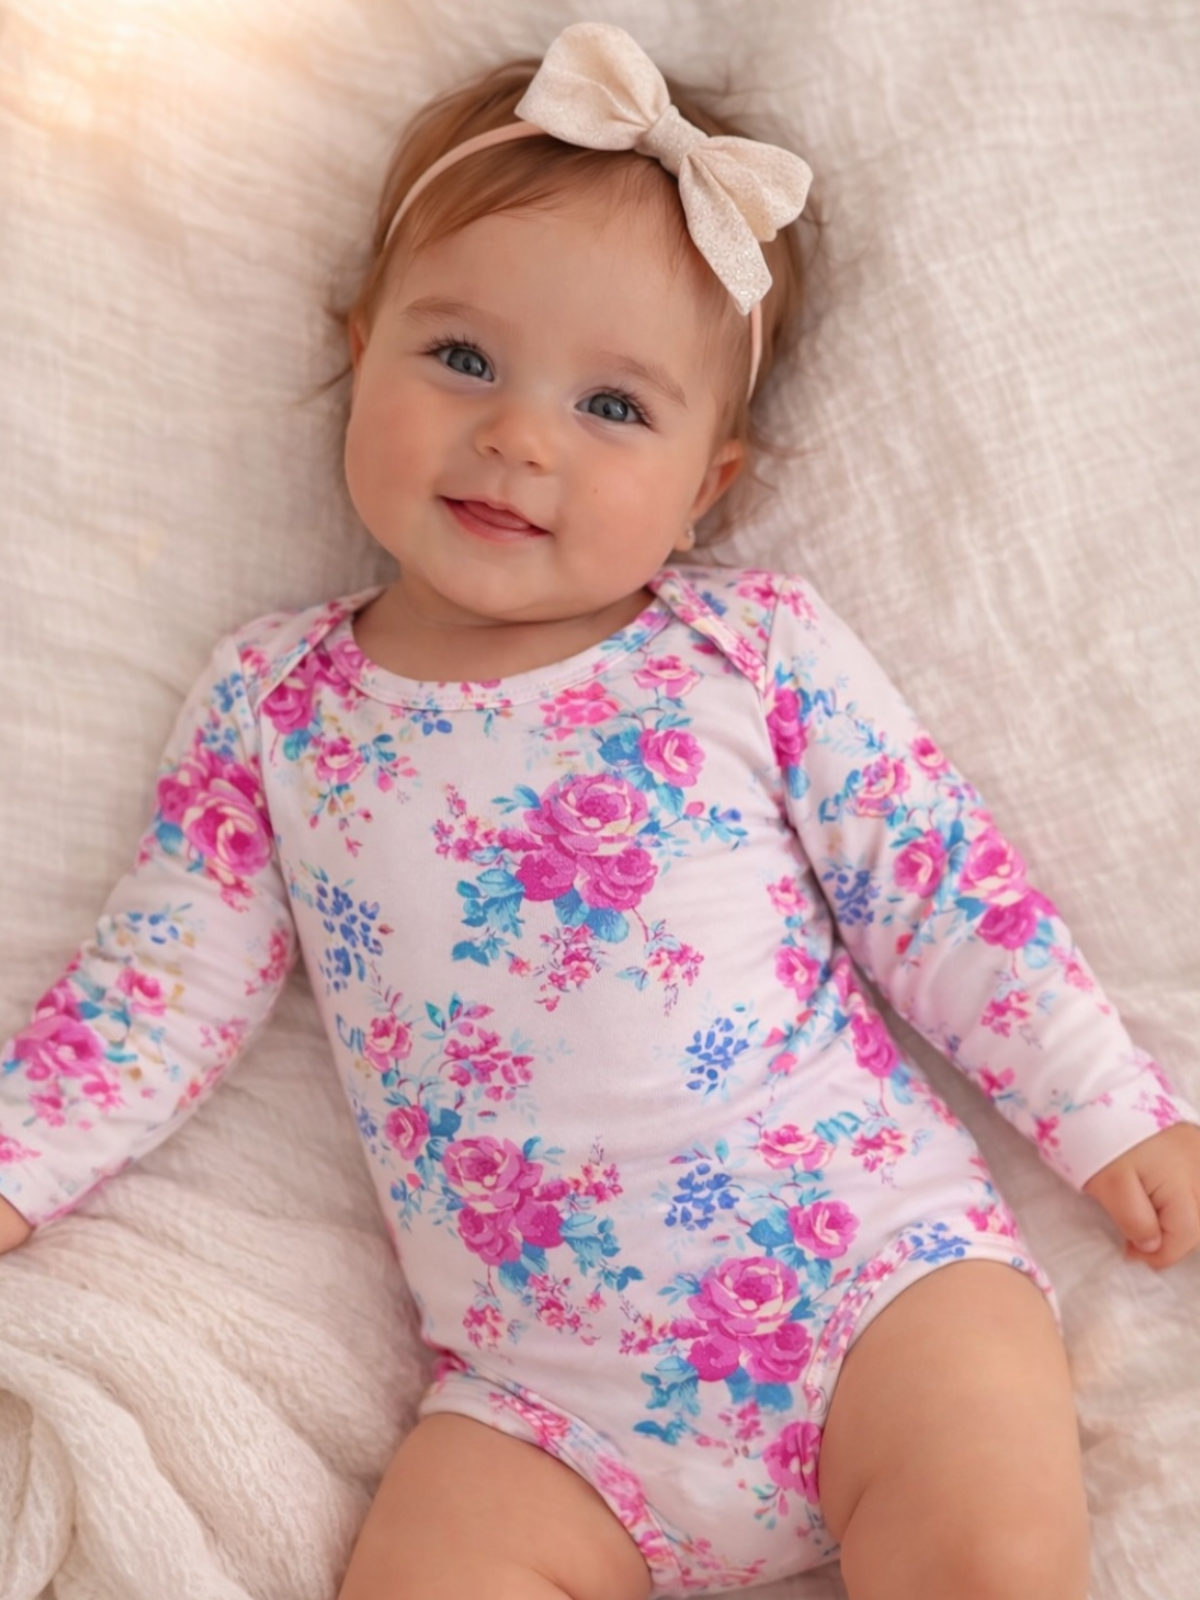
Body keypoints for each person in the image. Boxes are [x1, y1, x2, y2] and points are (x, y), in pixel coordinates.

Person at [1, 21, 1197, 1600]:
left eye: (615, 408)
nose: (520, 435)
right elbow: (157, 993)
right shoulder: (275, 705)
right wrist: (17, 1162)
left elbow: (937, 885)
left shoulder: (739, 646)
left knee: (990, 1554)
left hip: (869, 1276)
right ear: (358, 351)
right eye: (462, 359)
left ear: (711, 483)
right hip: (544, 1404)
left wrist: (1105, 1107)